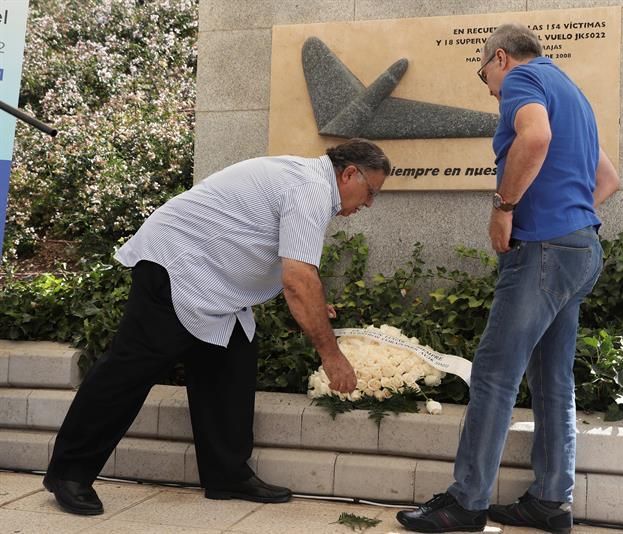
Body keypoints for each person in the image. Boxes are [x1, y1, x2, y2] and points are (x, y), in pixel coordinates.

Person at [42, 139, 391, 516]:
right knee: (127, 373)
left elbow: (288, 266)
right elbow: (298, 278)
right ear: (349, 173)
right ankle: (69, 474)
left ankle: (227, 475)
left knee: (232, 365)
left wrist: (314, 306)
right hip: (175, 266)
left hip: (215, 284)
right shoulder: (312, 189)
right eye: (370, 192)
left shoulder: (309, 183)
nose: (369, 203)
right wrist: (331, 355)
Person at [396, 23, 620, 534]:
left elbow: (534, 136)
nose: (491, 88)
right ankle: (550, 501)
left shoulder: (522, 80)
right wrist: (569, 220)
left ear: (500, 58)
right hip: (580, 249)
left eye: (484, 76)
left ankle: (466, 503)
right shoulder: (573, 93)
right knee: (552, 381)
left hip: (541, 252)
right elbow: (607, 180)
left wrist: (506, 206)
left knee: (495, 375)